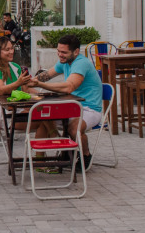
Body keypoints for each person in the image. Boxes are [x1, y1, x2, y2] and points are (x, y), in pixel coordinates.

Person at [28, 34, 104, 171]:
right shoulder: (64, 62)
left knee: (74, 128)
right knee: (44, 117)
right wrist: (29, 82)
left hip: (90, 108)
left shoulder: (81, 63)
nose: (60, 55)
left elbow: (69, 86)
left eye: (64, 52)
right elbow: (46, 75)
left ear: (75, 52)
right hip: (72, 106)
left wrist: (39, 84)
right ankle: (42, 161)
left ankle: (85, 155)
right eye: (58, 51)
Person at [0, 37, 33, 140]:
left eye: (12, 48)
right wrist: (18, 83)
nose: (11, 52)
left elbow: (25, 90)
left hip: (17, 110)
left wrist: (38, 89)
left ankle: (42, 151)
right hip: (3, 114)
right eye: (7, 50)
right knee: (44, 120)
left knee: (46, 115)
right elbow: (1, 90)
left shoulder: (15, 67)